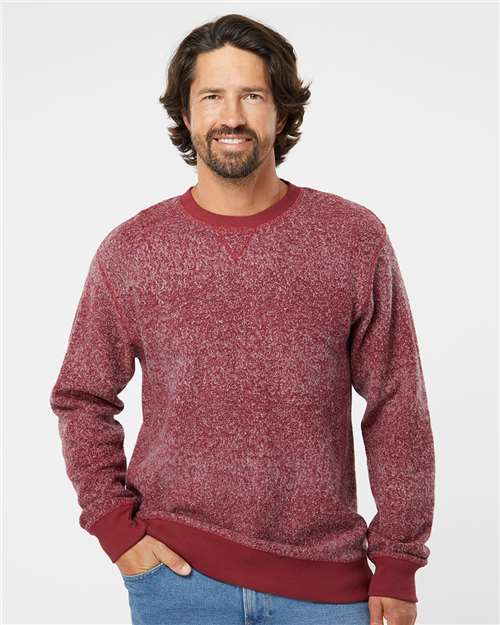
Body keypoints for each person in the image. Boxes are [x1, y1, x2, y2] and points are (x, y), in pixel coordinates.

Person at [49, 13, 435, 625]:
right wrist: (116, 531)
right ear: (186, 114)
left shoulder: (353, 238)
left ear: (281, 113)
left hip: (328, 586)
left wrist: (398, 559)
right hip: (177, 581)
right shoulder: (133, 250)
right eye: (212, 97)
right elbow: (82, 396)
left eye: (252, 95)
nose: (231, 116)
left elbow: (397, 400)